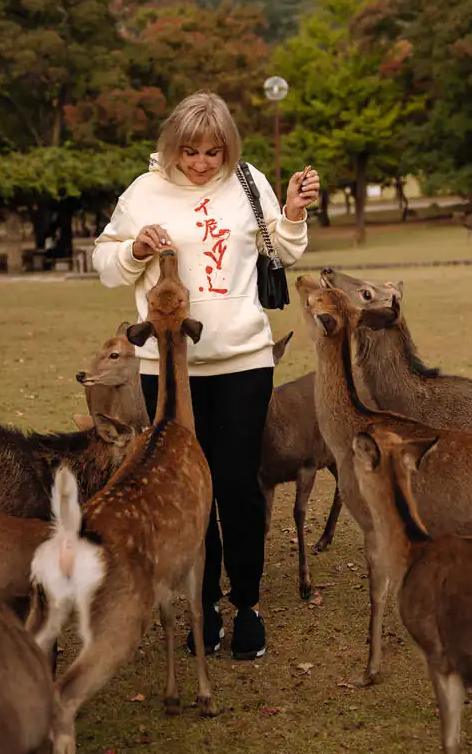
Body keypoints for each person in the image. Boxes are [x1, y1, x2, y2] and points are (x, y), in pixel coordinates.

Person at [92, 91, 319, 660]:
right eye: (189, 152)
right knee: (190, 491)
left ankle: (248, 604)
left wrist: (291, 213)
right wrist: (134, 250)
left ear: (228, 148)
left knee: (237, 484)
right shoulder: (144, 191)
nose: (199, 163)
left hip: (243, 360)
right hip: (168, 366)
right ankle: (206, 605)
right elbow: (104, 262)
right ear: (173, 145)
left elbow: (283, 251)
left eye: (212, 152)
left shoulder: (248, 180)